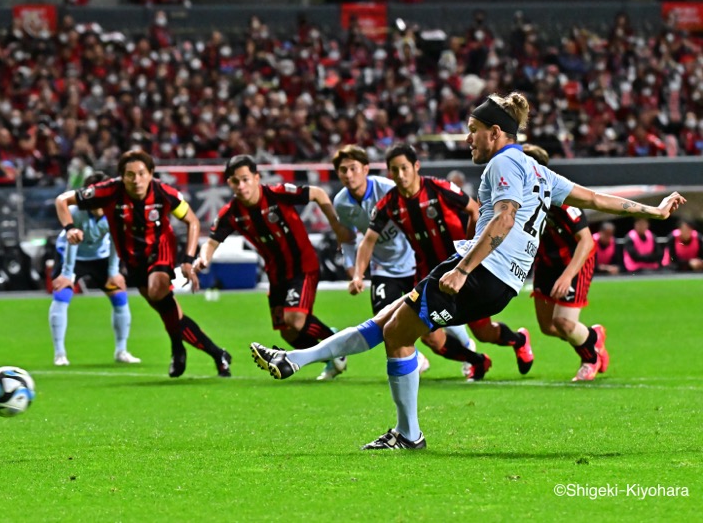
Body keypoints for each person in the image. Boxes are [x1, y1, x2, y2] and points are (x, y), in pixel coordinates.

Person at [250, 92, 685, 450]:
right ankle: (295, 360)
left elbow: (506, 217)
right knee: (389, 322)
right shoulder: (537, 169)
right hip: (496, 278)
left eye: (474, 132)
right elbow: (593, 198)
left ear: (496, 133)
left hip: (481, 272)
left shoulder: (504, 163)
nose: (468, 140)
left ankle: (408, 434)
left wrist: (463, 269)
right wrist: (653, 211)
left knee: (398, 335)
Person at [55, 150, 231, 378]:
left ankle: (180, 352)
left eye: (141, 174)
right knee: (167, 310)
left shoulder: (164, 193)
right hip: (133, 258)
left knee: (159, 290)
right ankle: (215, 354)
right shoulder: (108, 191)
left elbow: (192, 221)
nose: (136, 180)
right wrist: (70, 228)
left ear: (150, 174)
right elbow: (62, 200)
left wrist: (188, 260)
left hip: (161, 249)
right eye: (130, 175)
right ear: (121, 177)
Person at [194, 154, 352, 378]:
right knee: (288, 334)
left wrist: (336, 227)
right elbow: (211, 243)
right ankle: (332, 353)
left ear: (256, 178)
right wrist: (203, 259)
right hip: (277, 274)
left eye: (246, 179)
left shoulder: (277, 194)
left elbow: (317, 193)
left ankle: (335, 340)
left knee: (294, 318)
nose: (241, 185)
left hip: (302, 266)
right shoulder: (232, 213)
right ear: (229, 183)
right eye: (235, 181)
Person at [347, 143, 489, 380]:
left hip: (461, 268)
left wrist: (469, 250)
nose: (400, 176)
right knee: (429, 335)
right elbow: (368, 240)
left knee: (485, 331)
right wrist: (357, 275)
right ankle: (476, 360)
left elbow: (475, 210)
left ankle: (517, 340)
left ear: (416, 166)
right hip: (428, 273)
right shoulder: (389, 203)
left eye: (404, 168)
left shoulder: (438, 187)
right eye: (394, 170)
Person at [332, 144, 434, 379]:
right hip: (383, 267)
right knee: (384, 318)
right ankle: (416, 359)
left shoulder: (388, 190)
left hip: (413, 262)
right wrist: (356, 271)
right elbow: (349, 239)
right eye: (343, 170)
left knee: (433, 326)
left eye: (353, 168)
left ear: (366, 169)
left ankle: (467, 347)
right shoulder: (341, 203)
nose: (348, 175)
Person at [522, 144, 609, 382]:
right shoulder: (519, 197)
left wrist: (568, 276)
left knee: (563, 323)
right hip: (546, 261)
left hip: (575, 260)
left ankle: (590, 358)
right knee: (548, 327)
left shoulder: (561, 196)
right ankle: (593, 336)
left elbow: (586, 241)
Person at [49, 171, 140, 366]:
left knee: (119, 296)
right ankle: (60, 354)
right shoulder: (76, 211)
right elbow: (72, 241)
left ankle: (121, 350)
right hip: (71, 254)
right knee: (62, 294)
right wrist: (67, 274)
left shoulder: (116, 211)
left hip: (101, 256)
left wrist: (113, 271)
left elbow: (117, 240)